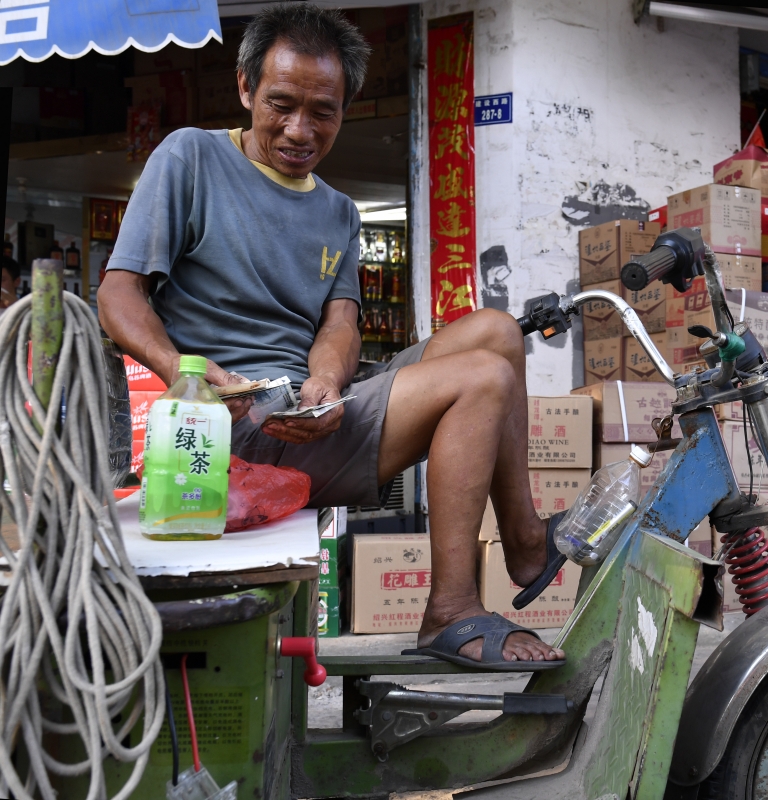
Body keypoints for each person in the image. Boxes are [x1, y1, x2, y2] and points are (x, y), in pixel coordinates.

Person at [98, 4, 565, 668]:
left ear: (345, 107)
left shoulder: (339, 212)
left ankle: (522, 539)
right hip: (227, 426)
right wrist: (184, 370)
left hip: (306, 411)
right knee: (482, 379)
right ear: (244, 88)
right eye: (281, 105)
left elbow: (339, 324)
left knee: (498, 335)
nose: (299, 129)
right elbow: (118, 292)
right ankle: (451, 610)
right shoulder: (191, 157)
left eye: (323, 111)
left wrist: (326, 384)